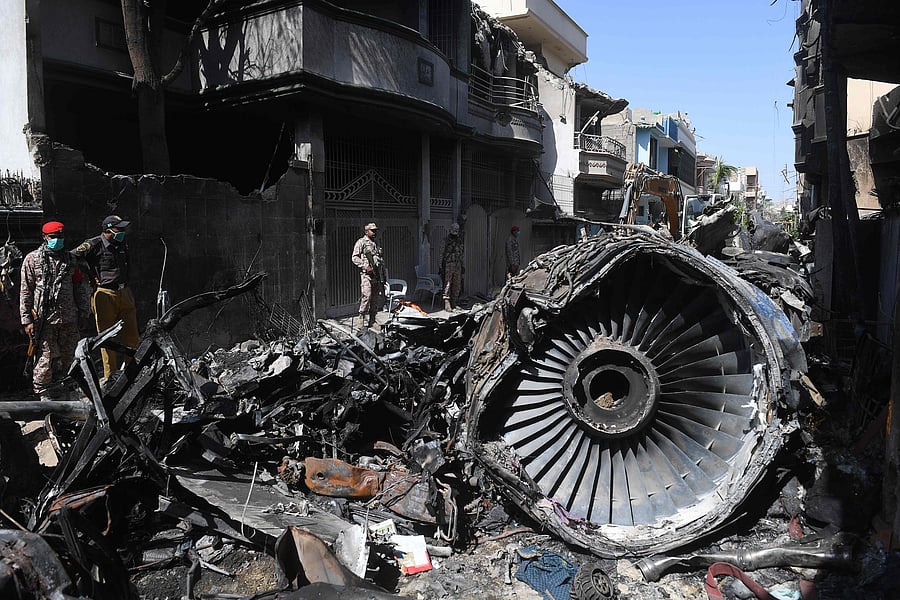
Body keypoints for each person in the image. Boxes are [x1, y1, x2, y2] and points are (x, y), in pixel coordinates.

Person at [20, 221, 91, 400]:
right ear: (44, 237)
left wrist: (84, 312)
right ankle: (44, 394)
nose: (57, 240)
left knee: (71, 356)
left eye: (60, 237)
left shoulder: (71, 260)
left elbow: (79, 288)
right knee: (45, 357)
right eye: (53, 237)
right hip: (44, 320)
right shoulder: (32, 259)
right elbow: (26, 290)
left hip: (68, 317)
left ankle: (70, 388)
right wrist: (26, 319)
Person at [71, 215, 140, 380]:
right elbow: (73, 256)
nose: (123, 232)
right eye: (119, 229)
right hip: (105, 294)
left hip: (125, 292)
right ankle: (110, 375)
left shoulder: (122, 244)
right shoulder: (94, 244)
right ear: (108, 229)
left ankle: (133, 373)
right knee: (107, 337)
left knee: (132, 335)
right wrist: (88, 273)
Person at [350, 222, 385, 328]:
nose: (374, 233)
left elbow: (380, 259)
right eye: (372, 230)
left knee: (375, 298)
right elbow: (354, 257)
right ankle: (361, 318)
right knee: (367, 296)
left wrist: (382, 273)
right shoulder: (361, 242)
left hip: (376, 275)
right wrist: (365, 266)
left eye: (375, 231)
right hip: (366, 275)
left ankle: (372, 320)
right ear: (366, 231)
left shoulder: (375, 243)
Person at [439, 223, 464, 312]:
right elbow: (441, 253)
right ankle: (447, 301)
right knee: (448, 283)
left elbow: (461, 253)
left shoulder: (459, 240)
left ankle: (454, 302)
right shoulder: (446, 241)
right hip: (448, 264)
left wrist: (462, 265)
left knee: (457, 284)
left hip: (457, 264)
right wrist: (440, 265)